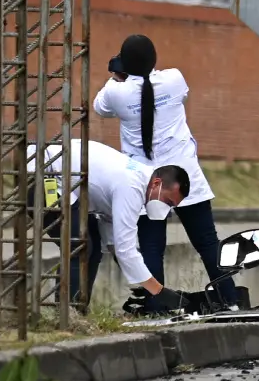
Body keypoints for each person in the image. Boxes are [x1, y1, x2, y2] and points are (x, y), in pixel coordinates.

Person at [93, 35, 235, 306]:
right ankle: (230, 300)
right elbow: (172, 92)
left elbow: (99, 107)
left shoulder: (116, 92)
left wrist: (117, 77)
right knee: (207, 243)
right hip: (184, 178)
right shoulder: (174, 79)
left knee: (151, 247)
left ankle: (156, 306)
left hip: (147, 183)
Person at [31, 139, 192, 313]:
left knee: (91, 244)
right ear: (156, 183)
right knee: (79, 244)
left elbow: (114, 243)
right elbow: (125, 250)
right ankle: (67, 313)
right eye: (167, 200)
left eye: (171, 205)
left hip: (57, 177)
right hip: (40, 173)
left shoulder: (136, 181)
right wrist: (159, 292)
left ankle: (77, 310)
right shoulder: (132, 187)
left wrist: (140, 281)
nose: (166, 207)